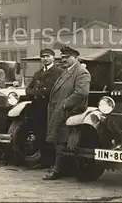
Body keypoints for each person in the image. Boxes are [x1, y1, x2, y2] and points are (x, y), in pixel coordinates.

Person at [43, 46, 91, 180]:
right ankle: (59, 168)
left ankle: (57, 170)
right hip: (58, 110)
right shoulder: (66, 71)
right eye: (62, 57)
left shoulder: (81, 72)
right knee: (58, 138)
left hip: (71, 112)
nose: (64, 60)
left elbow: (81, 93)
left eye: (67, 57)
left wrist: (65, 103)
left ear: (76, 58)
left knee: (62, 140)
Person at [25, 49, 62, 168]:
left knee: (51, 134)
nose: (45, 59)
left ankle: (52, 162)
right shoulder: (38, 73)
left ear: (53, 58)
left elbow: (58, 90)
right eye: (43, 57)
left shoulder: (59, 72)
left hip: (50, 107)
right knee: (40, 133)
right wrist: (35, 92)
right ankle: (43, 161)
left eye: (48, 56)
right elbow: (28, 89)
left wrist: (41, 92)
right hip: (38, 107)